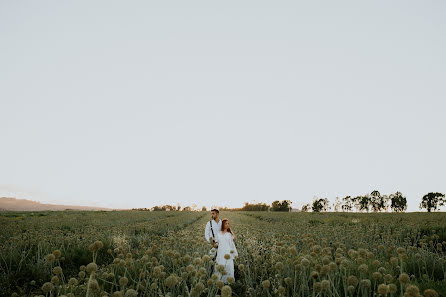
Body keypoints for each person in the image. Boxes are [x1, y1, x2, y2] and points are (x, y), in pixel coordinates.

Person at [214, 218, 238, 283]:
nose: (227, 225)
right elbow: (216, 243)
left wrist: (235, 253)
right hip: (221, 252)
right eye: (226, 224)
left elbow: (232, 245)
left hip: (228, 252)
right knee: (220, 265)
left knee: (228, 266)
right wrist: (215, 244)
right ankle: (219, 282)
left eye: (228, 224)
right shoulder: (218, 233)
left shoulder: (229, 234)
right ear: (222, 225)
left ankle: (228, 282)